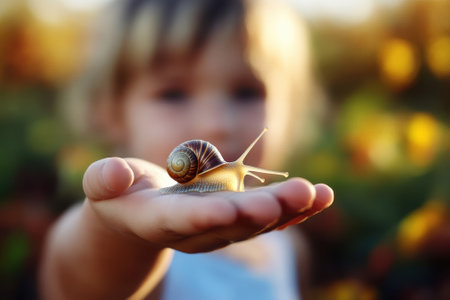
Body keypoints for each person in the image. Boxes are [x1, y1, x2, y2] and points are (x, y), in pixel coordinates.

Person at [39, 0, 334, 299]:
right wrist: (120, 229)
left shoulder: (287, 248)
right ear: (112, 112)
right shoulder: (135, 254)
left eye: (246, 92)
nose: (216, 124)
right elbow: (85, 276)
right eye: (174, 94)